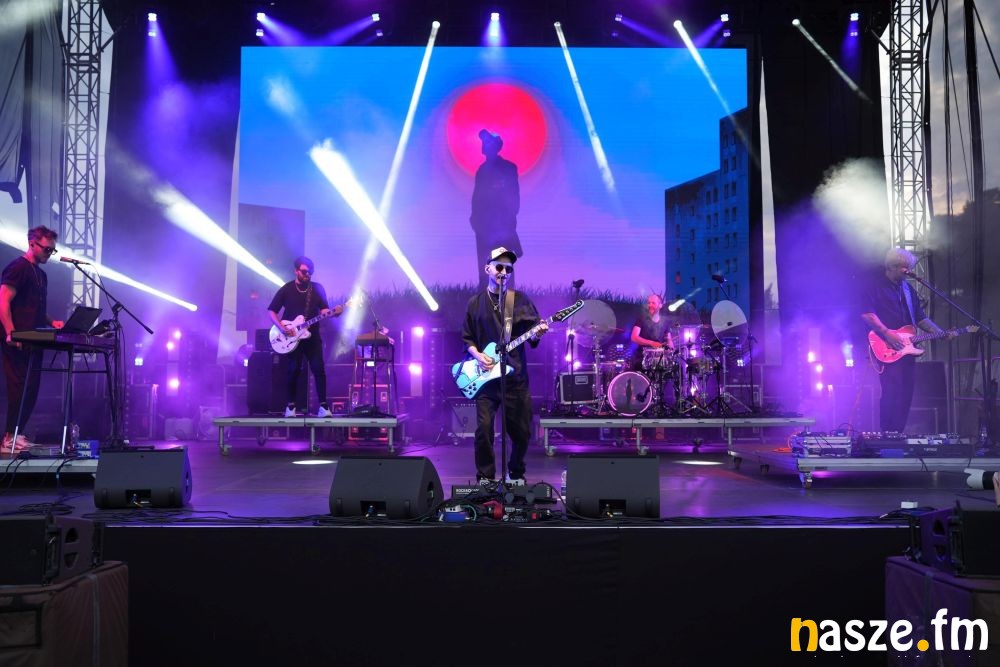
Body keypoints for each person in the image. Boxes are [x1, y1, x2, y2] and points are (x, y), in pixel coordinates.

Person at [461, 246, 548, 485]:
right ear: (487, 269)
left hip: (515, 378)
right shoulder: (475, 303)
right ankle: (486, 478)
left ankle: (516, 473)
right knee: (483, 430)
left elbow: (533, 335)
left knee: (522, 432)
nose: (504, 272)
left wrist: (538, 333)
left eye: (508, 269)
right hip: (486, 380)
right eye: (499, 267)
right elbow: (467, 338)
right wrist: (478, 355)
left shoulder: (519, 301)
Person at [861, 247, 954, 433]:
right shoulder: (874, 286)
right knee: (891, 392)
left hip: (907, 350)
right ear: (892, 266)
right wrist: (887, 333)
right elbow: (867, 314)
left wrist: (940, 332)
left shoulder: (908, 289)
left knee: (906, 394)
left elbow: (920, 318)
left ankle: (898, 434)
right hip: (886, 346)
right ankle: (886, 434)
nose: (908, 272)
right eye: (905, 268)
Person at [0, 226, 65, 454]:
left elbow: (35, 308)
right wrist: (10, 332)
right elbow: (3, 300)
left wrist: (52, 321)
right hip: (17, 340)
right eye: (47, 249)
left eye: (52, 251)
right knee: (19, 388)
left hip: (34, 340)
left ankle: (17, 434)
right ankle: (9, 437)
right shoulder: (18, 268)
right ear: (32, 244)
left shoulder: (41, 275)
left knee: (31, 388)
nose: (49, 254)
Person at [267, 256, 342, 418]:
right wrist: (282, 328)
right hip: (291, 337)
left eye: (310, 272)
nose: (308, 274)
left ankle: (323, 406)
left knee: (319, 369)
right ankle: (291, 406)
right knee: (293, 370)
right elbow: (271, 311)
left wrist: (333, 313)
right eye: (304, 271)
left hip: (312, 337)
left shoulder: (317, 288)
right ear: (296, 271)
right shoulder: (287, 289)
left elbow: (324, 310)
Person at [470, 129, 522, 289]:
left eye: (487, 143)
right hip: (484, 225)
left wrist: (508, 220)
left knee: (504, 266)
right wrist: (475, 219)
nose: (484, 146)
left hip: (502, 224)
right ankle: (486, 298)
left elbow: (513, 197)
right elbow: (477, 197)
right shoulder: (482, 170)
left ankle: (508, 301)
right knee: (485, 267)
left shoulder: (508, 168)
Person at [630, 293, 675, 363]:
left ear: (660, 305)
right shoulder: (641, 318)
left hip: (659, 359)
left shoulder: (665, 321)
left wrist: (671, 350)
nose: (650, 305)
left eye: (653, 303)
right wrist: (652, 343)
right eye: (649, 303)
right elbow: (634, 337)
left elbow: (669, 339)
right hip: (642, 359)